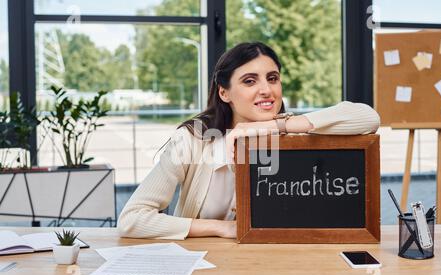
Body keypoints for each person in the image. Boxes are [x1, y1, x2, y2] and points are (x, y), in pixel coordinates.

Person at [117, 42, 380, 240]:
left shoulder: (289, 132)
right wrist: (222, 228)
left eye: (273, 78)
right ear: (224, 92)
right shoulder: (192, 140)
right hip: (205, 266)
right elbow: (132, 220)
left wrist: (277, 125)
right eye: (249, 81)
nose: (266, 90)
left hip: (274, 260)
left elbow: (368, 117)